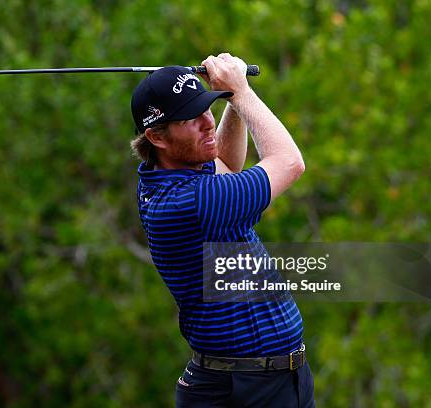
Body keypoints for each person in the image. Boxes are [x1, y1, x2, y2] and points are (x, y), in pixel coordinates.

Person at [130, 53, 315, 407]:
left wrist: (229, 101)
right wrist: (242, 93)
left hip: (271, 381)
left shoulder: (168, 175)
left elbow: (227, 165)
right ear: (157, 137)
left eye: (207, 108)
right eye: (191, 118)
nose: (205, 122)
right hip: (242, 390)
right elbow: (290, 162)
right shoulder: (190, 202)